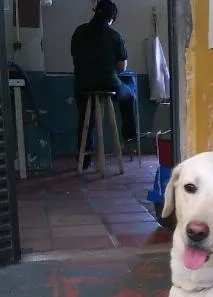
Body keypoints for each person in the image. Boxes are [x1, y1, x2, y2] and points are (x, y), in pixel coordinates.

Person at [71, 0, 137, 170]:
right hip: (109, 84)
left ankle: (83, 159)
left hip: (83, 85)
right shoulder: (115, 36)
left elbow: (76, 58)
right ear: (112, 18)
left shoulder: (79, 32)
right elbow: (122, 67)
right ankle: (130, 136)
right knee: (129, 95)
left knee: (86, 118)